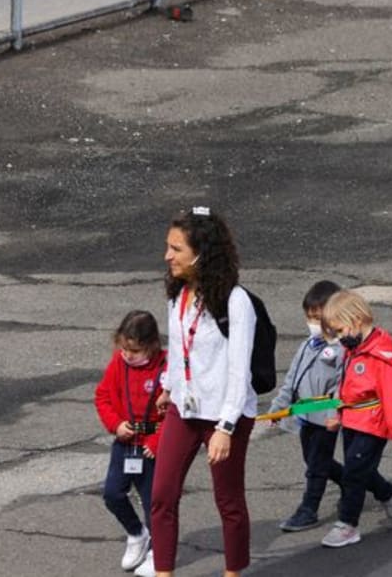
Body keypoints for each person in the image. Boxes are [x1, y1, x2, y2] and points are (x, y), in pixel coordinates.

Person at [142, 207, 257, 577]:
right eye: (168, 246)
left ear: (202, 253)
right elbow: (178, 351)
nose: (167, 256)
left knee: (228, 500)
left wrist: (225, 426)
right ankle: (163, 572)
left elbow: (240, 370)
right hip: (184, 408)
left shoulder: (236, 301)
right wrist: (168, 387)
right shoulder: (177, 295)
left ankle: (233, 572)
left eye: (176, 248)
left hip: (224, 413)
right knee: (162, 495)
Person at [318, 290, 392, 549]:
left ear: (356, 321)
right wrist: (337, 412)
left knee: (354, 474)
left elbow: (391, 394)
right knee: (359, 469)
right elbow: (345, 385)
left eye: (340, 330)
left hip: (373, 421)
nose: (338, 337)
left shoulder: (378, 355)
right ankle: (389, 494)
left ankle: (348, 524)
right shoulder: (355, 349)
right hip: (353, 419)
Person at [267, 280, 346, 533]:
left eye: (317, 317)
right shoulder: (307, 345)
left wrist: (335, 414)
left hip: (325, 419)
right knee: (313, 460)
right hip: (305, 417)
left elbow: (342, 388)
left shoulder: (341, 350)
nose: (312, 323)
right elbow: (293, 379)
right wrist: (279, 407)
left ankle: (308, 509)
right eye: (309, 317)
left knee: (316, 466)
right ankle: (368, 484)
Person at [94, 310, 167, 572]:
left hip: (150, 446)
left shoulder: (165, 367)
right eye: (124, 348)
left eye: (134, 350)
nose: (128, 355)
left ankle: (159, 551)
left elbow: (175, 412)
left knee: (153, 503)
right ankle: (137, 533)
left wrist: (157, 441)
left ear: (151, 345)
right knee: (112, 494)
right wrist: (115, 424)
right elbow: (102, 396)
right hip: (126, 441)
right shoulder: (118, 363)